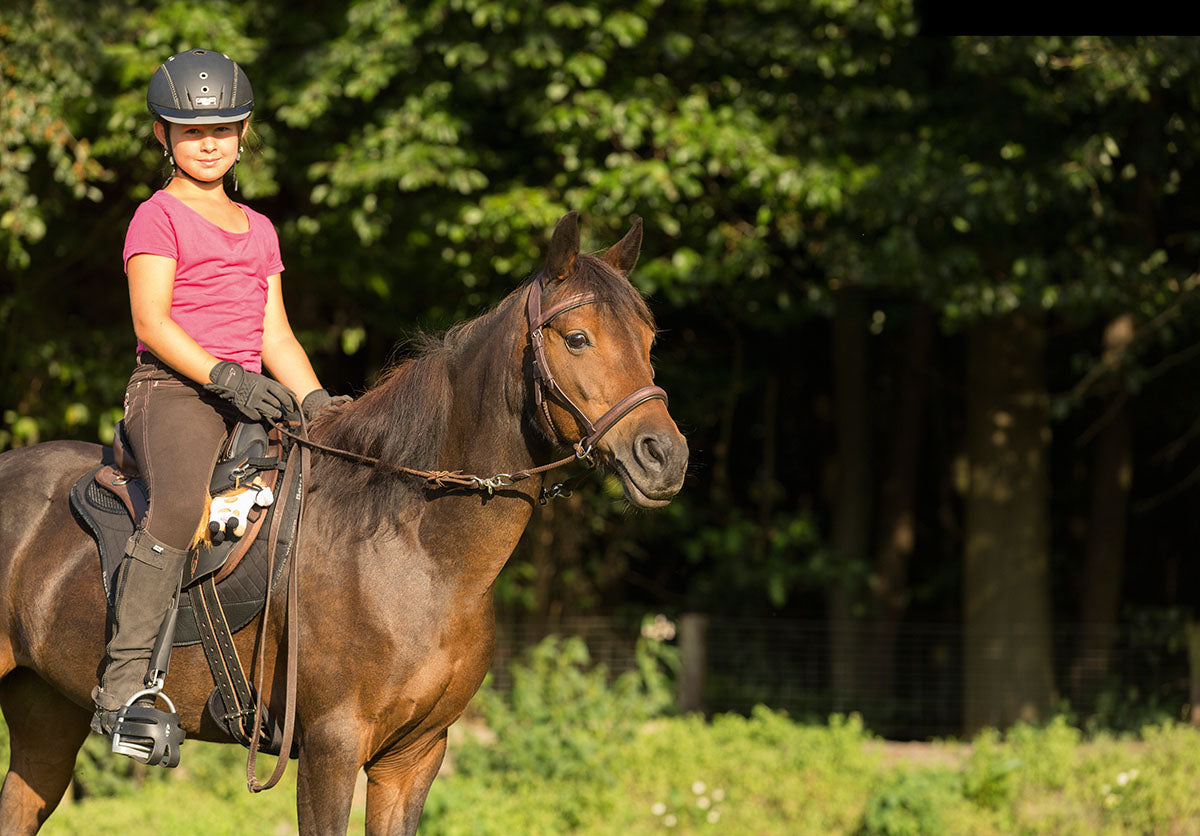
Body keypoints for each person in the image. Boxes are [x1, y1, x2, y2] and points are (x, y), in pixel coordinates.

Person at [92, 48, 345, 762]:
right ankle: (119, 695)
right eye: (192, 130)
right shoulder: (158, 216)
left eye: (224, 130)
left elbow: (279, 336)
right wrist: (227, 380)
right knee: (178, 509)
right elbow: (152, 323)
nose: (209, 143)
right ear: (161, 136)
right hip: (174, 392)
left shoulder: (259, 229)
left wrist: (318, 402)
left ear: (242, 134)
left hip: (250, 396)